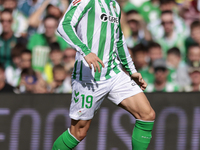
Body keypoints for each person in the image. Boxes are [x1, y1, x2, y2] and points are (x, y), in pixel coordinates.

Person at [53, 0, 155, 149]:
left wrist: (131, 70)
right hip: (88, 77)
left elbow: (119, 40)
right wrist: (85, 51)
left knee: (147, 115)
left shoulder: (114, 5)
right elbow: (64, 26)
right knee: (78, 132)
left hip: (113, 73)